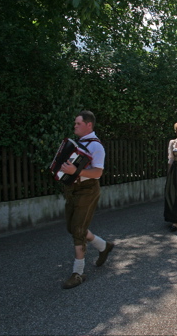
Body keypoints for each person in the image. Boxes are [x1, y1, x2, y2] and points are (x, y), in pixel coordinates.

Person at [59, 110, 113, 289]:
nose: (75, 126)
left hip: (88, 190)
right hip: (73, 189)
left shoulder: (96, 146)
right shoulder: (77, 143)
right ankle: (103, 246)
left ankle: (78, 272)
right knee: (72, 228)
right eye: (75, 123)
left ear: (89, 125)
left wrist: (74, 172)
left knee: (79, 230)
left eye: (78, 123)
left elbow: (97, 173)